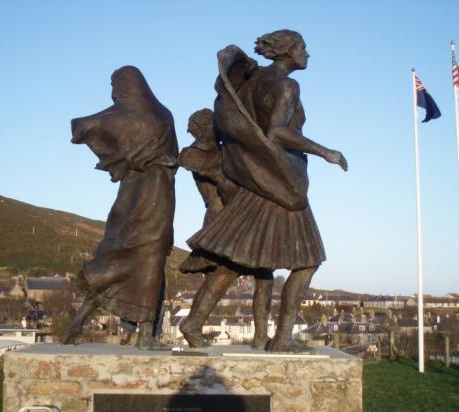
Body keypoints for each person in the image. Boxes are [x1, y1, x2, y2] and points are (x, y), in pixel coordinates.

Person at [185, 30, 347, 352]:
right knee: (306, 263)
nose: (307, 54)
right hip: (281, 187)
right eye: (302, 47)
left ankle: (192, 324)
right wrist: (325, 151)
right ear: (287, 51)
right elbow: (277, 132)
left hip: (257, 183)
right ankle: (283, 339)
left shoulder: (253, 81)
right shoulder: (287, 85)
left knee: (235, 263)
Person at [63, 66, 178, 349]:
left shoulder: (121, 115)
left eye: (115, 85)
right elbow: (173, 157)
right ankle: (145, 334)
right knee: (149, 255)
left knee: (125, 251)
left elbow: (81, 125)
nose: (113, 92)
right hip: (160, 189)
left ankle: (81, 321)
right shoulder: (163, 115)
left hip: (135, 191)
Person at [178, 109, 273, 349]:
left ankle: (261, 335)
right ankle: (192, 324)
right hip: (227, 219)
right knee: (225, 274)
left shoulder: (215, 152)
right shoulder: (200, 154)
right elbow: (226, 186)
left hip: (234, 217)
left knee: (263, 275)